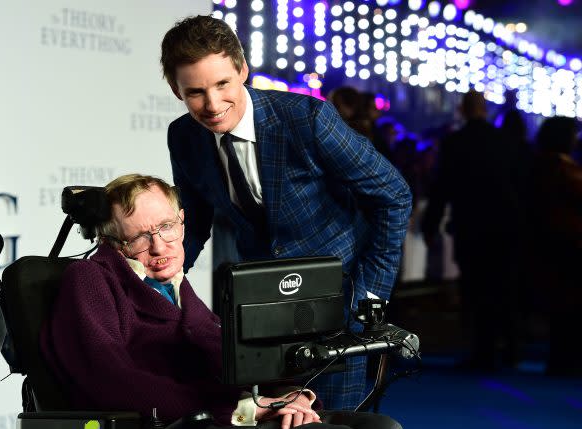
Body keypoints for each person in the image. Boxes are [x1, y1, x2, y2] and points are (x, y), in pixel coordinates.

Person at [161, 15, 412, 410]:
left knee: (334, 420)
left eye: (223, 84)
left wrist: (369, 294)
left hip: (339, 304)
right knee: (267, 417)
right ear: (176, 90)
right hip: (260, 311)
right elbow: (193, 219)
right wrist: (162, 280)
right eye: (195, 92)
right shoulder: (183, 136)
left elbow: (393, 194)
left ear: (242, 70)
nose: (212, 104)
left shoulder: (306, 119)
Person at [40, 174, 402, 429]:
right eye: (139, 237)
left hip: (233, 411)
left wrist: (291, 394)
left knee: (381, 424)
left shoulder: (174, 285)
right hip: (184, 420)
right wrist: (241, 410)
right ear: (114, 242)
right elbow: (110, 380)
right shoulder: (90, 279)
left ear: (182, 222)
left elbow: (232, 357)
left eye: (167, 226)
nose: (160, 246)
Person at [421, 90, 521, 370]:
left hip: (471, 225)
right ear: (485, 108)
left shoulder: (455, 143)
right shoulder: (505, 141)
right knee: (504, 286)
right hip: (505, 225)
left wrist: (431, 224)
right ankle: (511, 348)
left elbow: (442, 187)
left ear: (463, 109)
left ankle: (483, 350)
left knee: (476, 289)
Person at [529, 117, 582, 376]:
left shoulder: (539, 165)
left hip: (552, 241)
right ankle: (565, 358)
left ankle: (561, 356)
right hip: (568, 243)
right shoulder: (562, 168)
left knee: (561, 305)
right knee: (569, 304)